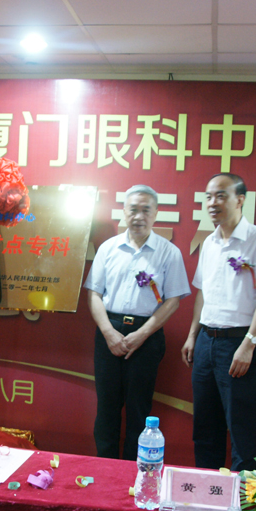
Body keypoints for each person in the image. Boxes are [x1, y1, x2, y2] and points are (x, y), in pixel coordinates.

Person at [181, 173, 256, 471]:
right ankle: (205, 487)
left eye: (221, 196)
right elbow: (202, 293)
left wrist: (249, 344)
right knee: (204, 426)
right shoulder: (209, 242)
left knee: (241, 428)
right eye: (208, 197)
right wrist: (192, 336)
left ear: (240, 200)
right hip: (206, 343)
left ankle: (243, 496)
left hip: (239, 343)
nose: (212, 203)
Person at [85, 185, 190, 460]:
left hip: (147, 335)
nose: (139, 216)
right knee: (106, 408)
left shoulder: (169, 252)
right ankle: (105, 468)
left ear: (155, 214)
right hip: (109, 331)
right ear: (124, 212)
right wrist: (108, 333)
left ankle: (134, 472)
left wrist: (142, 335)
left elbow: (173, 301)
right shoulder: (108, 248)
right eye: (133, 209)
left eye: (146, 210)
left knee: (139, 410)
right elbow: (94, 294)